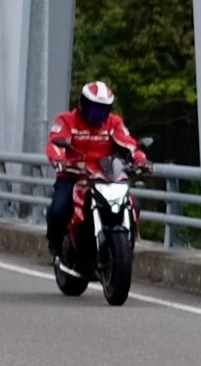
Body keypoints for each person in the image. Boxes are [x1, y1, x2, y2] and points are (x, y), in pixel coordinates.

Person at [43, 79, 150, 262]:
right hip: (73, 175)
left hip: (105, 176)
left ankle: (125, 243)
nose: (97, 114)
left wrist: (140, 159)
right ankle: (56, 244)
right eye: (93, 108)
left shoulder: (114, 123)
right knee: (58, 208)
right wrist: (60, 161)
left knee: (133, 203)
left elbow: (128, 142)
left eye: (102, 109)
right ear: (82, 104)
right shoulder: (66, 120)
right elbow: (55, 143)